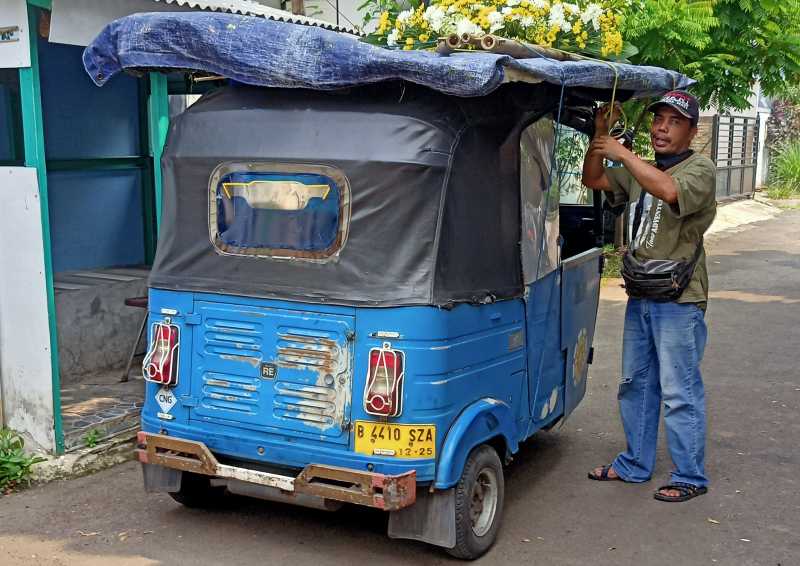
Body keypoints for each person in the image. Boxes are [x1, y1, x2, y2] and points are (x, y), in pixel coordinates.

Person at [581, 90, 716, 502]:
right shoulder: (643, 170)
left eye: (674, 122)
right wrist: (600, 137)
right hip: (642, 293)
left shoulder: (700, 170)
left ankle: (690, 476)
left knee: (679, 390)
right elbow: (593, 179)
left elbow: (670, 191)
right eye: (658, 119)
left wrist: (623, 153)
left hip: (679, 299)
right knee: (635, 384)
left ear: (692, 131)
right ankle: (635, 465)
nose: (661, 127)